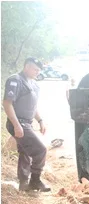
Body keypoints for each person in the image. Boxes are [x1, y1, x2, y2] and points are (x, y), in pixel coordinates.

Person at [3, 57, 50, 192]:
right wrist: (16, 125)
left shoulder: (34, 84)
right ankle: (35, 181)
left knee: (25, 151)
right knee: (40, 150)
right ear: (26, 67)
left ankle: (24, 184)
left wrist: (40, 120)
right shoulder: (16, 80)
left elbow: (33, 107)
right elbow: (7, 103)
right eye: (35, 69)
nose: (37, 72)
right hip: (18, 122)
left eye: (39, 70)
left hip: (27, 123)